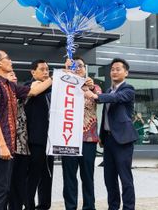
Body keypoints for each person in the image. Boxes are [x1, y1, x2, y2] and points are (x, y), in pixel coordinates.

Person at [0, 50, 51, 210]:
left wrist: (59, 77)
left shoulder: (9, 85)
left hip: (9, 146)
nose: (11, 61)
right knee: (0, 188)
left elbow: (33, 91)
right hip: (2, 146)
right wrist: (3, 145)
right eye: (7, 58)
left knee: (6, 188)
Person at [84, 58, 138, 210]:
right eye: (112, 69)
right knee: (109, 178)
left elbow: (116, 98)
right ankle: (113, 207)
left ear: (126, 72)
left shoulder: (128, 89)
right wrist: (101, 134)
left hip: (123, 140)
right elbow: (106, 116)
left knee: (125, 177)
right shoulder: (108, 91)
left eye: (118, 69)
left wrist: (95, 96)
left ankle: (128, 207)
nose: (114, 71)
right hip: (108, 140)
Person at [61, 57, 101, 210]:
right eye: (73, 66)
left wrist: (87, 87)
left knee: (87, 177)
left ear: (85, 68)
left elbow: (99, 98)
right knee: (69, 177)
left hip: (88, 139)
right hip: (68, 139)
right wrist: (65, 75)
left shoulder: (93, 86)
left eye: (80, 66)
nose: (77, 68)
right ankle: (70, 207)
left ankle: (89, 207)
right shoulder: (64, 87)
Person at [24, 59, 54, 210]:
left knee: (47, 175)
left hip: (50, 140)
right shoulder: (27, 86)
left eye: (47, 69)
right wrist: (54, 78)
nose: (45, 72)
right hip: (34, 139)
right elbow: (34, 91)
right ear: (33, 72)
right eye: (42, 69)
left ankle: (44, 205)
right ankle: (28, 205)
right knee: (33, 175)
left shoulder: (50, 88)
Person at [7, 71, 30, 210]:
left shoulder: (20, 93)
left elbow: (33, 89)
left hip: (22, 145)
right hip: (8, 146)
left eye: (15, 75)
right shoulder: (2, 94)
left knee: (20, 181)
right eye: (10, 75)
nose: (14, 76)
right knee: (8, 183)